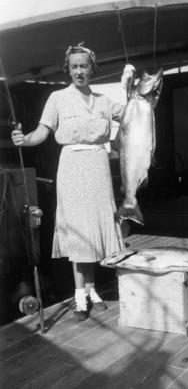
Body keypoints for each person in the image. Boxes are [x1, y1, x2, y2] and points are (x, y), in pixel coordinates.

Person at [11, 42, 131, 321]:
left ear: (92, 69)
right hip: (73, 168)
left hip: (99, 168)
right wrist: (25, 140)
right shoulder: (57, 98)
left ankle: (91, 290)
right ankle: (80, 296)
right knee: (80, 231)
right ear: (69, 70)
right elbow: (43, 131)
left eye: (84, 66)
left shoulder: (103, 101)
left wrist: (128, 83)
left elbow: (132, 111)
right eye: (74, 67)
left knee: (94, 231)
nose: (79, 71)